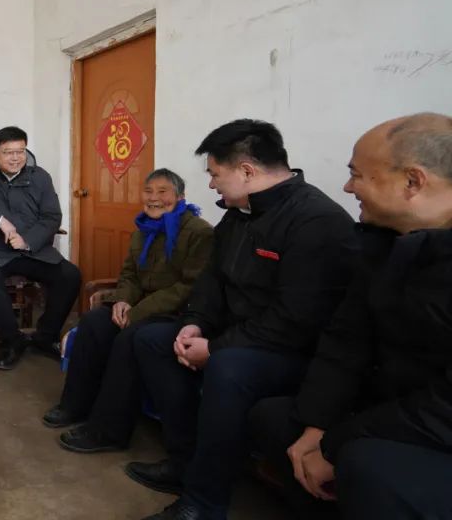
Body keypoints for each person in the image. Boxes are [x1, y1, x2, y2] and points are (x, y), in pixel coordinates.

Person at [127, 119, 358, 520]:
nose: (212, 185)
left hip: (290, 349)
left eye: (216, 175)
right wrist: (194, 322)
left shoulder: (316, 220)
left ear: (247, 171)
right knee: (152, 339)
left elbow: (295, 319)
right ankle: (185, 462)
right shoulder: (238, 214)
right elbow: (212, 281)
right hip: (238, 334)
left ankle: (203, 503)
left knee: (229, 367)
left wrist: (215, 348)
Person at [249, 112, 452, 520]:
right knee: (275, 421)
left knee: (366, 464)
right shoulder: (381, 245)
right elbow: (345, 341)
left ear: (413, 182)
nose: (346, 187)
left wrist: (337, 441)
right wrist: (317, 426)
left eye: (357, 175)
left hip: (436, 428)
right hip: (388, 409)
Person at [43, 169, 214, 455]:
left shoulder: (199, 232)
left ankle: (109, 431)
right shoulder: (142, 229)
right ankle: (75, 405)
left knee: (129, 338)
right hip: (139, 306)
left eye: (163, 192)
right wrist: (122, 301)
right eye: (148, 191)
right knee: (95, 321)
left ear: (180, 197)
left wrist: (137, 312)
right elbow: (130, 276)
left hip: (177, 313)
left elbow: (189, 287)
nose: (154, 198)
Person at [0, 126, 81, 370]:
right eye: (8, 152)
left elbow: (52, 216)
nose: (15, 158)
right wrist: (0, 221)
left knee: (70, 275)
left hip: (34, 249)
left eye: (20, 151)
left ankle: (46, 337)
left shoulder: (40, 176)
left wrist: (27, 240)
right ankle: (13, 340)